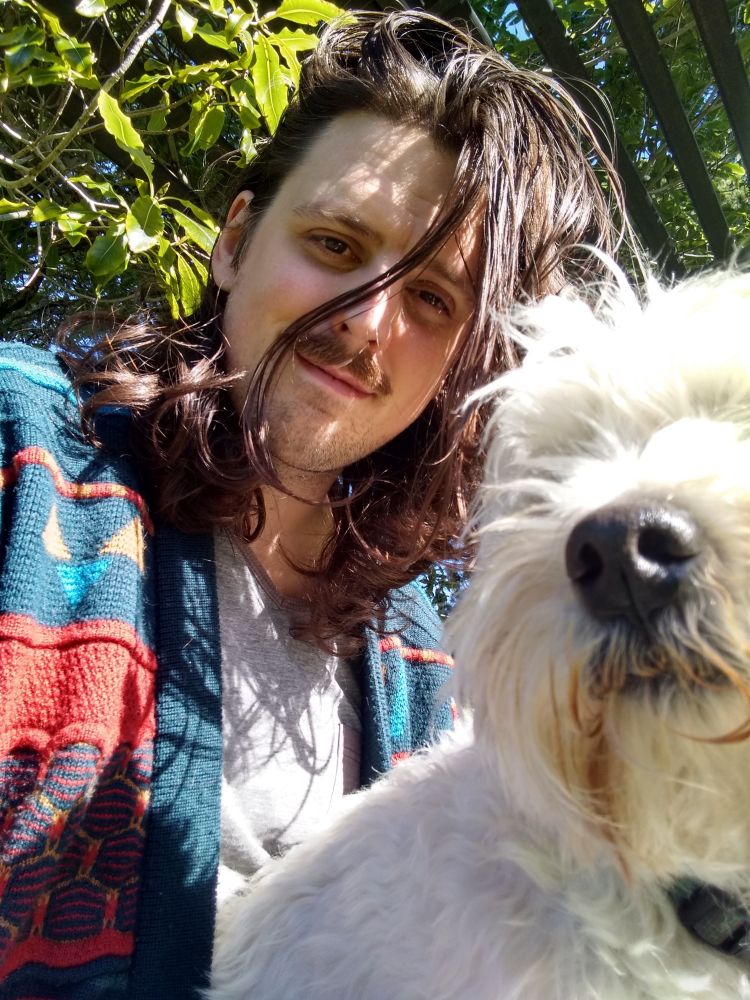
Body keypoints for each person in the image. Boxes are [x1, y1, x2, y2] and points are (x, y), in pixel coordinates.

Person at [0, 9, 623, 999]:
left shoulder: (431, 660)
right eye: (336, 244)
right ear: (236, 240)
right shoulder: (21, 454)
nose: (368, 325)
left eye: (432, 302)